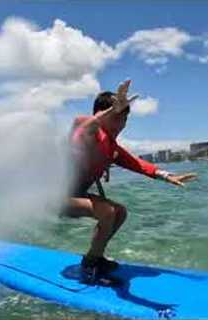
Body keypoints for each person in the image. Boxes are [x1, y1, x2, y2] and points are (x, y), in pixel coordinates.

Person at [64, 79, 196, 276]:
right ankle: (89, 267)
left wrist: (167, 176)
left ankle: (95, 257)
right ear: (102, 114)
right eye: (117, 117)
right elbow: (84, 126)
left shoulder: (111, 148)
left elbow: (137, 164)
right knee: (107, 212)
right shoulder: (85, 129)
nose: (121, 125)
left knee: (120, 212)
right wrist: (110, 111)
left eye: (124, 119)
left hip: (77, 195)